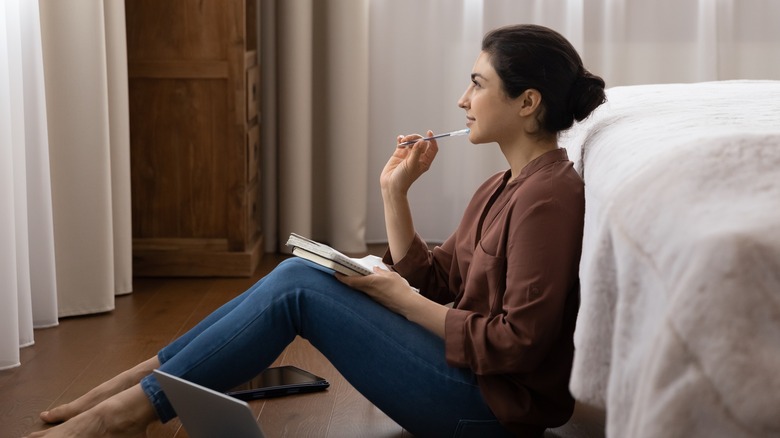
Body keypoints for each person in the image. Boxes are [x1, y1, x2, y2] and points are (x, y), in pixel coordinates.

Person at [27, 24, 605, 438]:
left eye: (478, 84)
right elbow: (439, 280)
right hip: (468, 383)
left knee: (299, 286)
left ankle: (125, 411)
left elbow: (518, 342)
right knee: (301, 270)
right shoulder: (502, 184)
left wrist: (399, 300)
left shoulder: (549, 199)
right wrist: (394, 194)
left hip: (487, 411)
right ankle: (136, 389)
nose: (462, 99)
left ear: (527, 102)